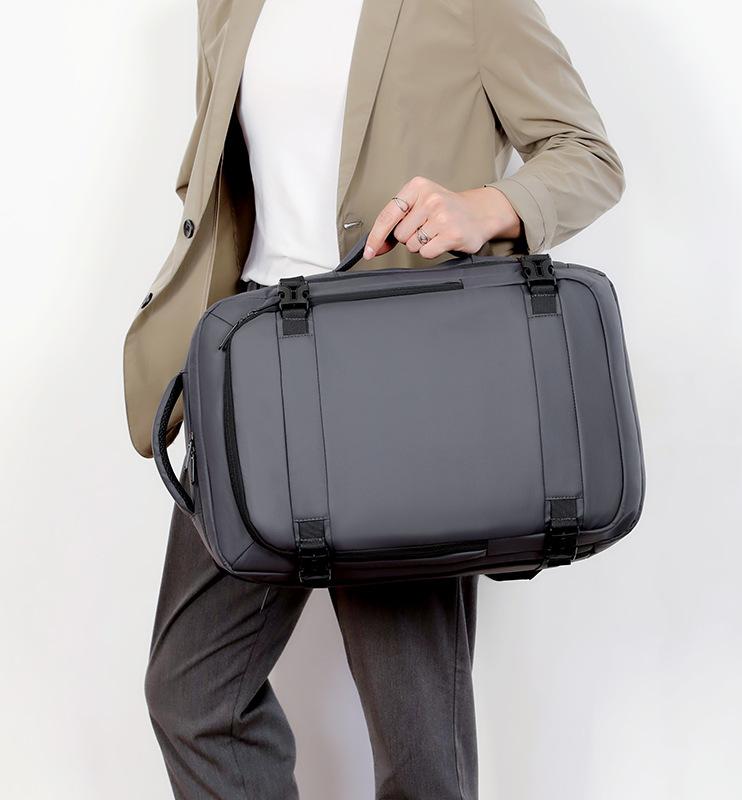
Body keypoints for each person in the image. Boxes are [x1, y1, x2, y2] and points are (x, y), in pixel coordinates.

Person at [127, 0, 624, 797]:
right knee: (192, 693)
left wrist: (484, 207)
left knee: (415, 740)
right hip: (256, 369)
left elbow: (588, 155)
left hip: (395, 381)